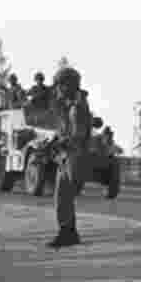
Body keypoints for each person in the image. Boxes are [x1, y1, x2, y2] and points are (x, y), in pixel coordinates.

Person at [47, 67, 92, 248]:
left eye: (59, 85)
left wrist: (61, 142)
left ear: (68, 86)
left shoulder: (77, 107)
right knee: (62, 196)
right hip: (67, 154)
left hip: (74, 154)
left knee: (64, 195)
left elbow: (78, 134)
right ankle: (68, 231)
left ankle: (67, 232)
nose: (57, 89)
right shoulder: (70, 105)